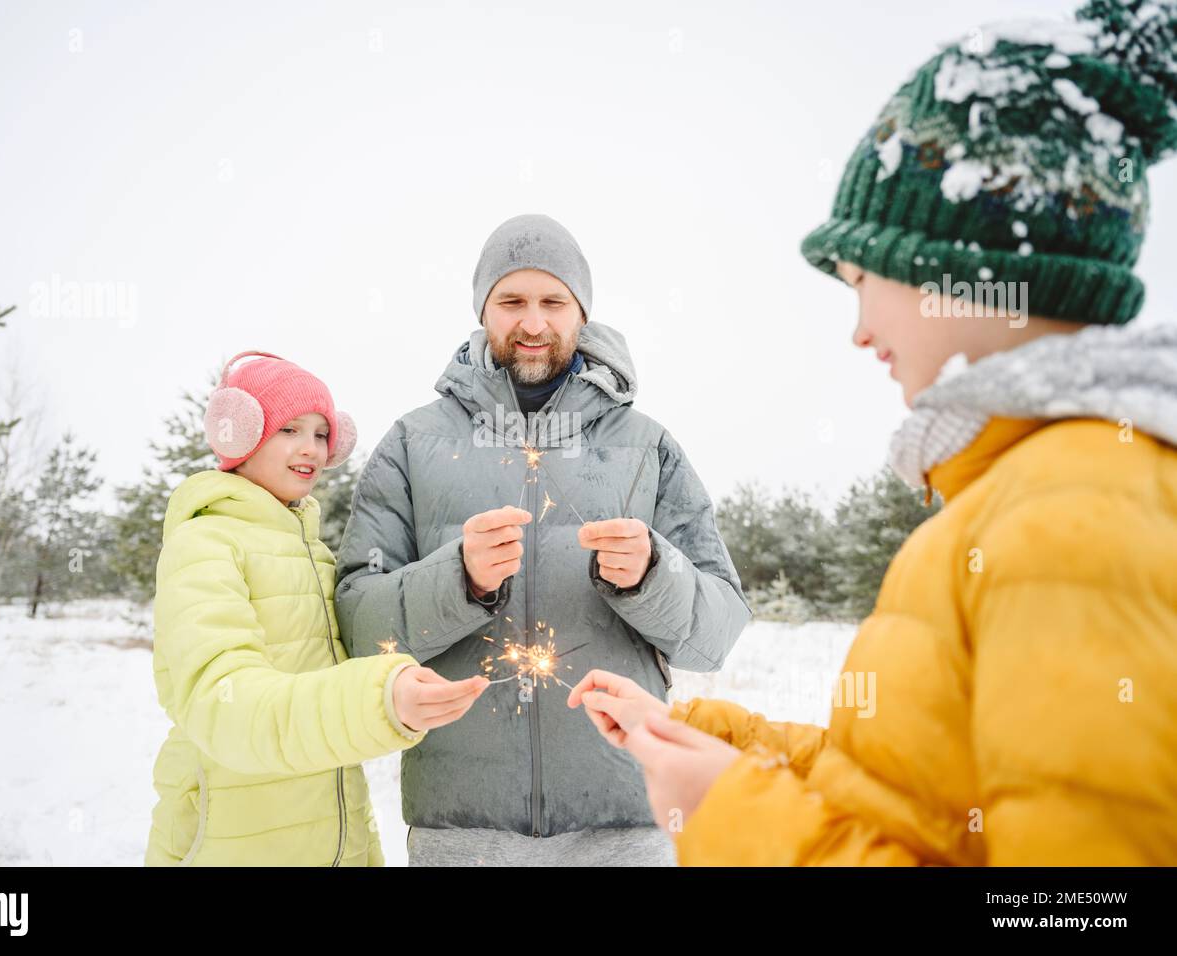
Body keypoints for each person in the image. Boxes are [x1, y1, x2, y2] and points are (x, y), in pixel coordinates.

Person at [573, 0, 1177, 865]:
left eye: (862, 280)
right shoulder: (1034, 495)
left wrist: (731, 818)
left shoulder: (1074, 519)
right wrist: (711, 739)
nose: (858, 330)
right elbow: (914, 796)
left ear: (968, 271)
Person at [335, 214, 751, 865]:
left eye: (553, 301)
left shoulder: (647, 447)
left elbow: (716, 635)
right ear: (483, 312)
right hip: (462, 830)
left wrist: (652, 576)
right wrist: (457, 581)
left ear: (581, 312)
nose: (533, 323)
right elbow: (359, 629)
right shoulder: (413, 445)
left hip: (624, 825)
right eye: (512, 301)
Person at [145, 350, 487, 866]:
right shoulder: (204, 544)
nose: (311, 449)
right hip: (232, 845)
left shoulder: (317, 554)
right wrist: (378, 699)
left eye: (321, 434)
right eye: (289, 429)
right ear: (238, 432)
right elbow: (224, 703)